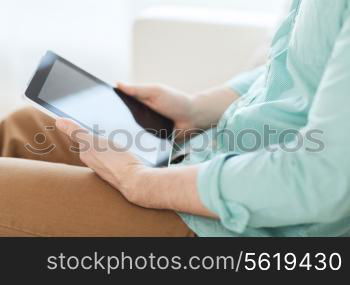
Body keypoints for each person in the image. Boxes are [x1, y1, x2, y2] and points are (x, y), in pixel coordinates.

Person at [1, 0, 350, 237]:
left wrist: (138, 182)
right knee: (24, 129)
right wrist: (197, 109)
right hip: (221, 154)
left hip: (260, 226)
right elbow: (295, 70)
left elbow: (321, 180)